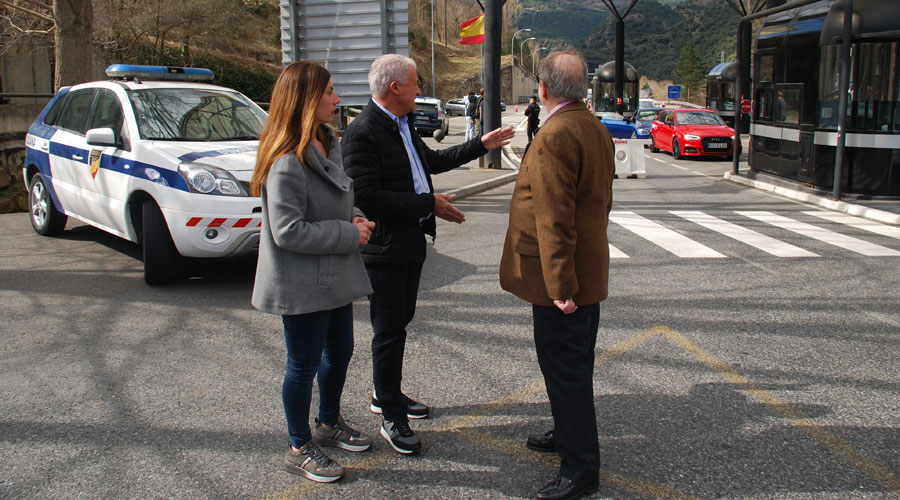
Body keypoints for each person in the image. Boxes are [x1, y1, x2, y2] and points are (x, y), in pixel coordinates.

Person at [341, 54, 514, 455]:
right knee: (388, 330)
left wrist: (481, 144)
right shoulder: (363, 133)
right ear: (395, 88)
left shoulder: (401, 124)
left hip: (409, 243)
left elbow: (431, 162)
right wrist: (427, 204)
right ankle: (390, 414)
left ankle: (386, 393)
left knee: (400, 322)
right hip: (384, 249)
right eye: (416, 84)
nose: (421, 91)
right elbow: (367, 197)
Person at [250, 61, 376, 483]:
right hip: (301, 283)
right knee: (302, 366)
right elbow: (288, 231)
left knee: (339, 352)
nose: (336, 99)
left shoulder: (326, 142)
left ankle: (328, 422)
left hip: (334, 276)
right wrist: (348, 234)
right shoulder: (286, 162)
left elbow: (338, 200)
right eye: (328, 93)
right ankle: (299, 445)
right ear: (305, 100)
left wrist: (356, 218)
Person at [499, 51, 614, 500]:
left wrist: (561, 286)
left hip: (563, 284)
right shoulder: (592, 126)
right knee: (572, 366)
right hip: (586, 270)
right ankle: (567, 434)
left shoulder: (555, 134)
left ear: (543, 89)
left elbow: (553, 217)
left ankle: (580, 469)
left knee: (565, 371)